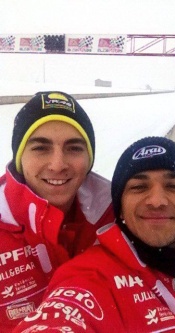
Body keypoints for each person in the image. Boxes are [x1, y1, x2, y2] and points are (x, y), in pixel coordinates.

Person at [13, 136, 175, 333]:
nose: (157, 201)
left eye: (174, 186)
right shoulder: (90, 278)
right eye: (139, 187)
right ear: (120, 209)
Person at [0, 91, 114, 332]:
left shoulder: (117, 218)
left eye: (73, 148)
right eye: (41, 148)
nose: (58, 164)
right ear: (20, 157)